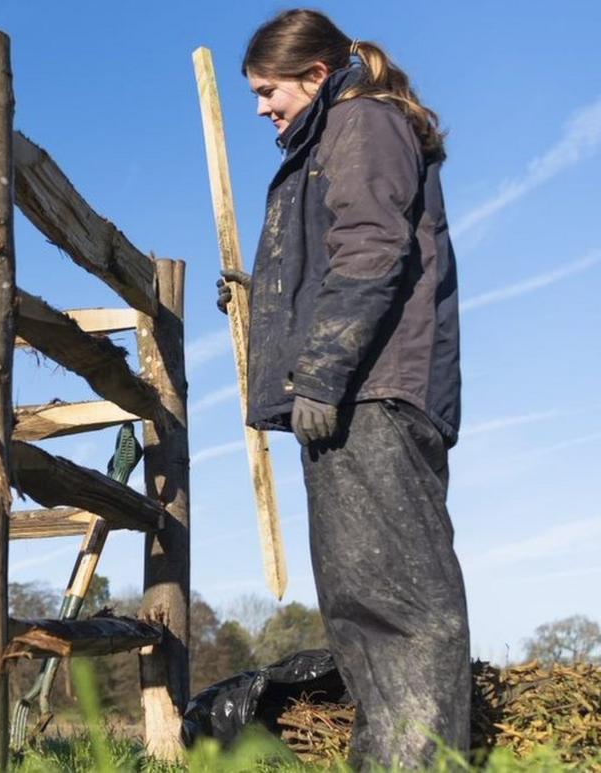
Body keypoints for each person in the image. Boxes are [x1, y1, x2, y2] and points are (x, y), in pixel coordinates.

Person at [216, 9, 469, 768]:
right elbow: (327, 262)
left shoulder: (360, 125)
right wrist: (258, 296)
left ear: (316, 75)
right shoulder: (334, 136)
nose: (262, 107)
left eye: (269, 90)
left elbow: (370, 250)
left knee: (398, 610)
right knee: (362, 608)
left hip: (370, 394)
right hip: (353, 393)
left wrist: (321, 373)